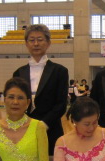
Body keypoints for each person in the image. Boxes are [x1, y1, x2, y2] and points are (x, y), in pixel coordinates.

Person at [13, 24, 69, 154]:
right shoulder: (18, 73)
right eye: (31, 40)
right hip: (24, 130)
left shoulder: (60, 71)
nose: (36, 43)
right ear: (26, 43)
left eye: (40, 39)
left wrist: (44, 124)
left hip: (51, 130)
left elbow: (61, 104)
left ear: (48, 43)